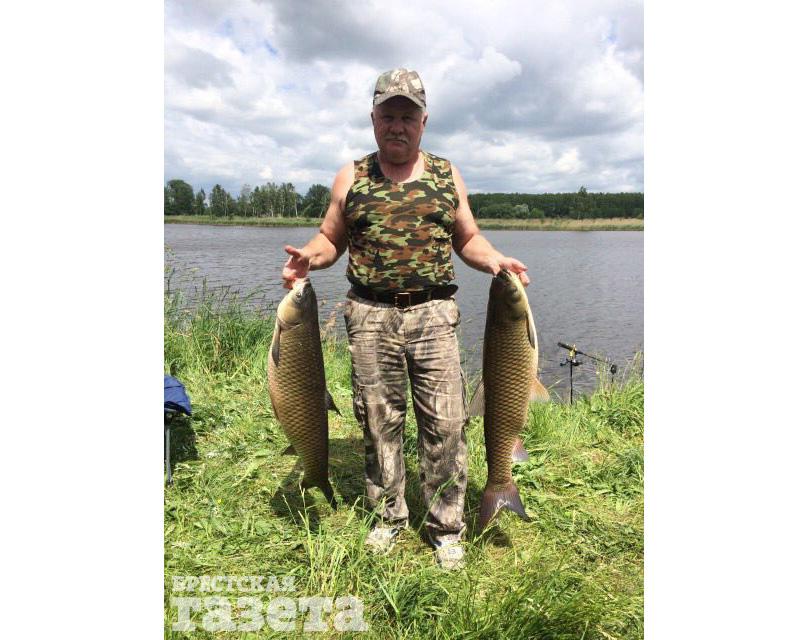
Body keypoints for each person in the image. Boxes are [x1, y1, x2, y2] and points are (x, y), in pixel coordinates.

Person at [281, 68, 530, 570]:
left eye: (407, 117)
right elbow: (330, 238)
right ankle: (388, 518)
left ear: (424, 121)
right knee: (378, 421)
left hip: (434, 313)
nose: (397, 126)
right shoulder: (351, 176)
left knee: (446, 423)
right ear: (373, 118)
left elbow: (468, 238)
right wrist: (310, 256)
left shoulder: (446, 174)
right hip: (369, 313)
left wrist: (494, 260)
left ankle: (447, 527)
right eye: (388, 116)